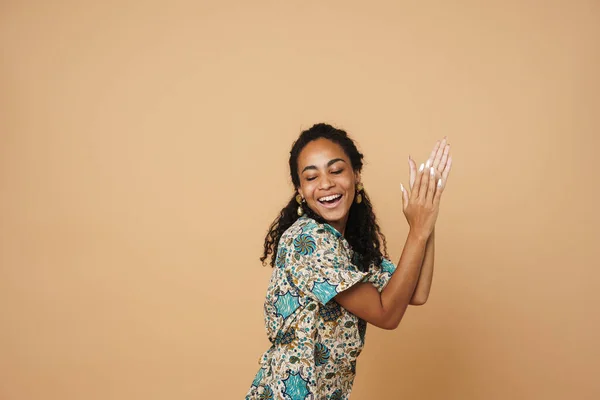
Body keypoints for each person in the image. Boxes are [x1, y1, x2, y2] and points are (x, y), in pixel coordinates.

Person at [246, 123, 452, 399]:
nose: (326, 184)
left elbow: (416, 292)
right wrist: (417, 230)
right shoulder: (307, 241)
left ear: (355, 174)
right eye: (311, 177)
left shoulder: (349, 249)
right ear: (299, 190)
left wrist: (426, 219)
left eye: (336, 170)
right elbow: (387, 314)